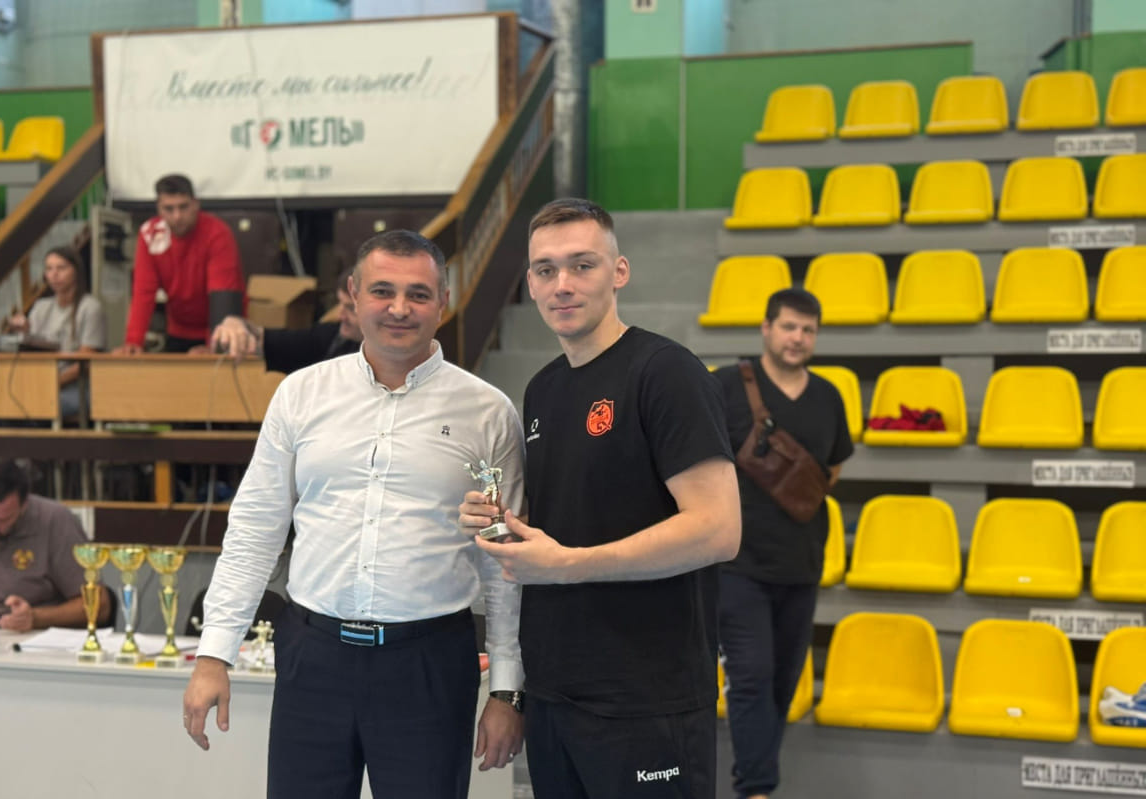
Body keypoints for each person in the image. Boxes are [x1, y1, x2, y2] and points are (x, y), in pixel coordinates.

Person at [182, 230, 526, 799]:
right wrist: (214, 652)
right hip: (313, 659)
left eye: (418, 294)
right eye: (382, 290)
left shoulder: (488, 413)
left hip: (429, 665)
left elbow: (503, 560)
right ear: (353, 295)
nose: (399, 308)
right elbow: (254, 530)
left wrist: (507, 690)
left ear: (443, 301)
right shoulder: (301, 394)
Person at [460, 198, 741, 799]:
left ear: (619, 272)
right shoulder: (543, 389)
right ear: (531, 284)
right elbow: (576, 517)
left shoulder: (666, 372)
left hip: (646, 697)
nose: (562, 284)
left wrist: (569, 565)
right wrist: (503, 524)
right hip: (558, 692)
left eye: (581, 265)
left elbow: (719, 529)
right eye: (546, 270)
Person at [710, 289, 854, 799]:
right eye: (789, 327)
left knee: (782, 684)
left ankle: (757, 781)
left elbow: (833, 468)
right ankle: (757, 789)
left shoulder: (829, 396)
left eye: (808, 330)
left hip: (802, 564)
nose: (798, 338)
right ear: (767, 328)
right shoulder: (726, 386)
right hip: (736, 564)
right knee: (750, 675)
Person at [0, 459, 110, 631]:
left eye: (3, 520)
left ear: (24, 505)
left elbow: (100, 605)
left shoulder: (54, 521)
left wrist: (36, 617)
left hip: (29, 637)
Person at [117, 174, 245, 354]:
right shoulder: (150, 234)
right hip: (178, 329)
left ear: (195, 205)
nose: (177, 216)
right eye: (169, 209)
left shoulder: (217, 234)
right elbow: (143, 292)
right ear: (159, 209)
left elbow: (223, 295)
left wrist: (214, 346)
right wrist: (133, 342)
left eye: (183, 207)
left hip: (221, 329)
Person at [7, 245, 107, 417]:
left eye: (61, 268)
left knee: (30, 408)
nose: (54, 274)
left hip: (77, 387)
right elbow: (32, 352)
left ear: (76, 271)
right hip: (40, 383)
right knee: (3, 407)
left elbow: (85, 362)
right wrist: (23, 334)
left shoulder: (90, 308)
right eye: (49, 269)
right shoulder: (40, 307)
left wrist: (51, 383)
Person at [209, 267, 361, 374]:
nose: (340, 315)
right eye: (339, 304)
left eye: (349, 308)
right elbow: (265, 339)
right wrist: (235, 324)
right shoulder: (331, 337)